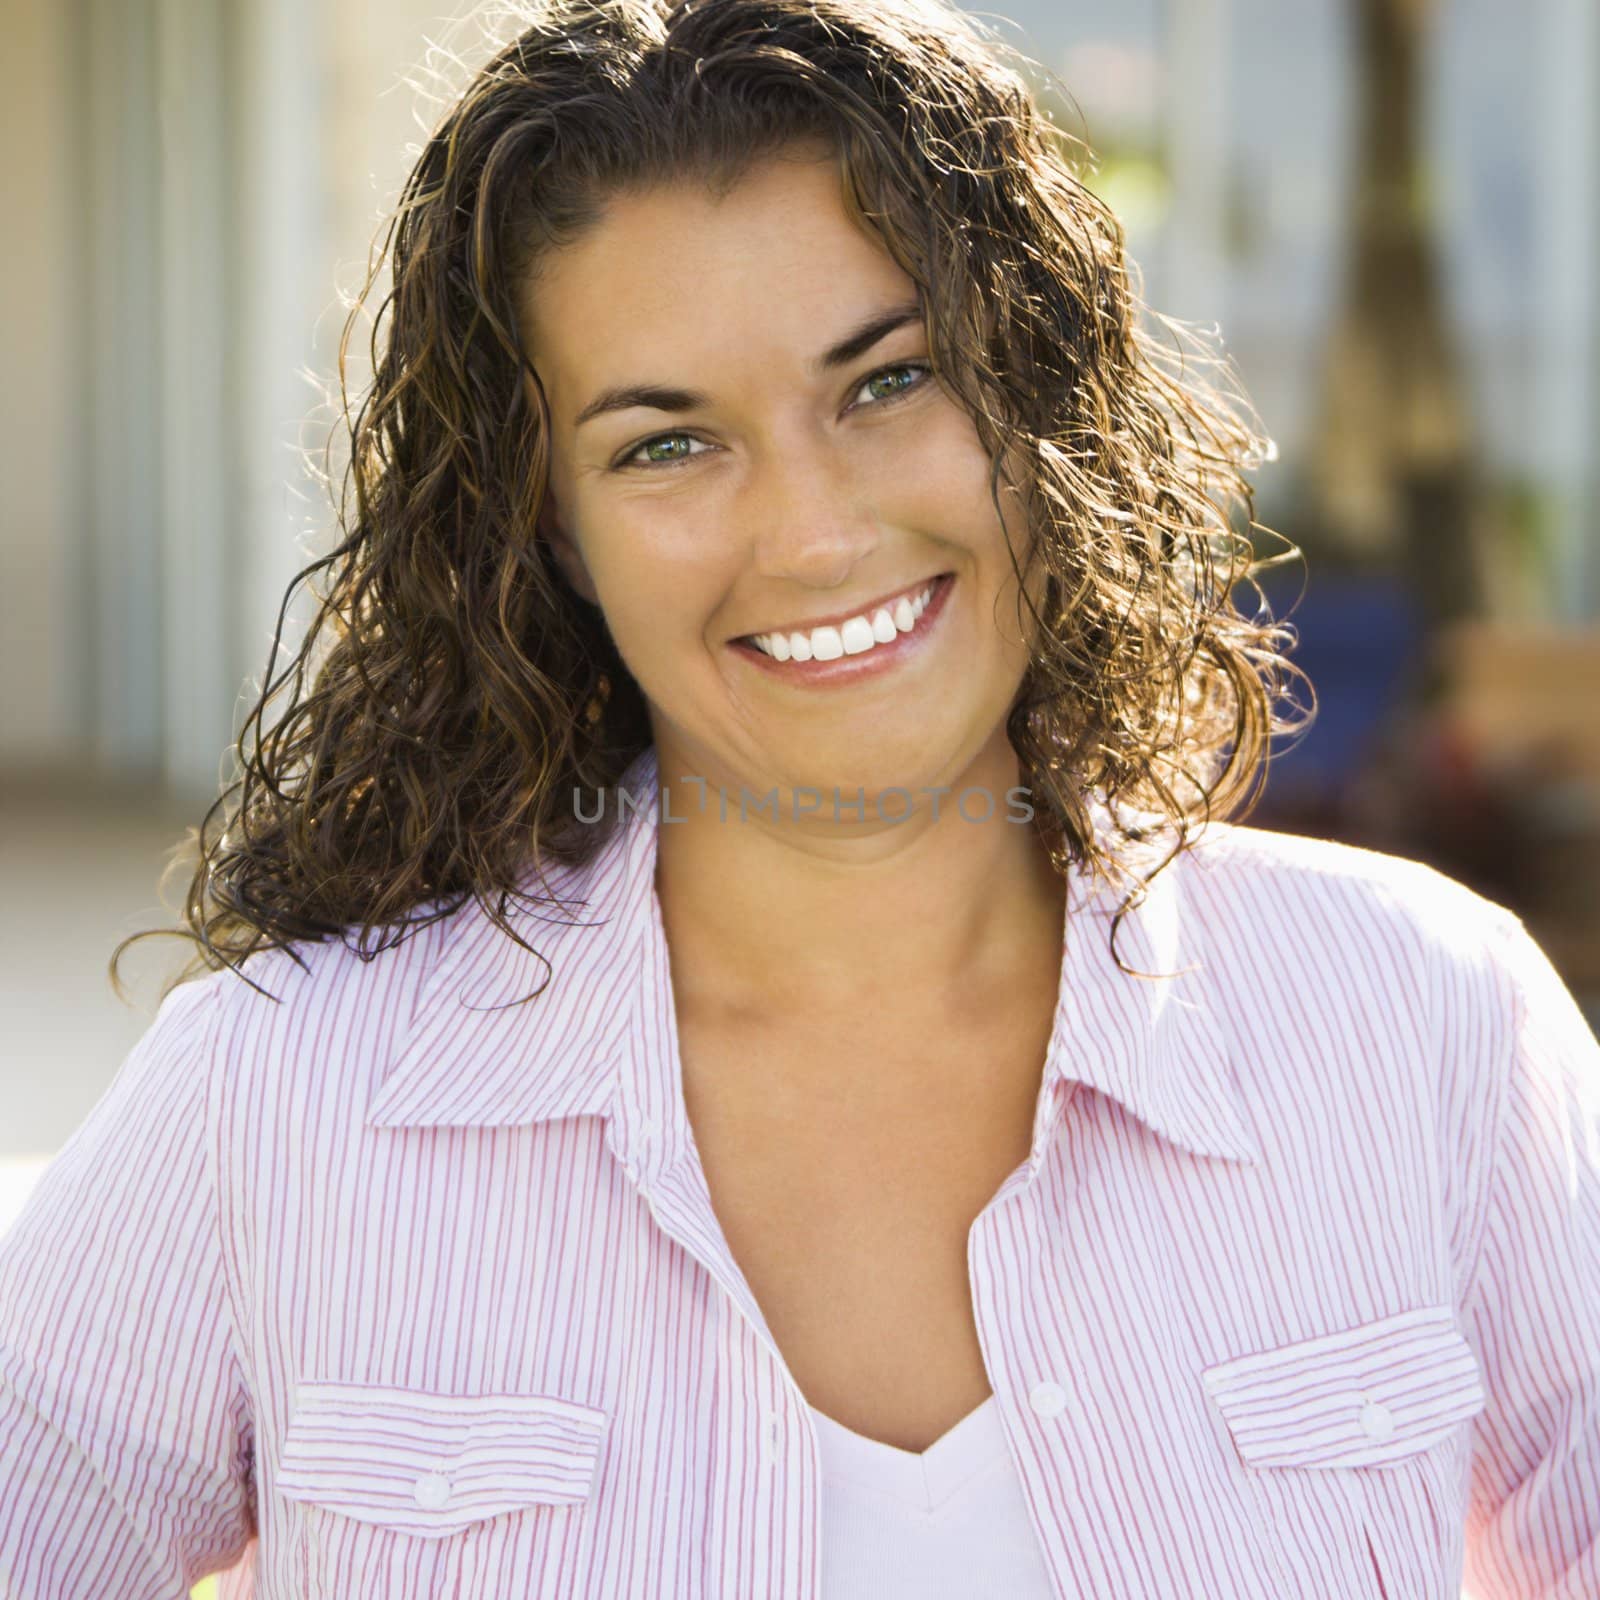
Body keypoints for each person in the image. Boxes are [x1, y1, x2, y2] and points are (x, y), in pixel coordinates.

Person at [2, 0, 1596, 1595]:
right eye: (666, 444)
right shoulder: (284, 1095)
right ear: (547, 533)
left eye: (887, 382)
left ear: (1031, 402)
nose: (815, 534)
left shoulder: (1424, 1023)